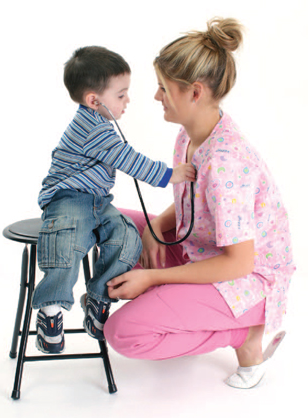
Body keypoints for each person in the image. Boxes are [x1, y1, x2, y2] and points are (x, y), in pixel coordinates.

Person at [104, 18, 296, 389]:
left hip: (247, 280)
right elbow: (198, 203)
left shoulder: (227, 160)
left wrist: (154, 276)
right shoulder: (191, 135)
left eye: (163, 88)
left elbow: (239, 261)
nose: (157, 97)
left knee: (123, 332)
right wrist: (156, 227)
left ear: (194, 92)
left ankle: (244, 336)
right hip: (202, 250)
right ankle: (172, 298)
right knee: (112, 219)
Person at [32, 46, 196, 354]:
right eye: (121, 95)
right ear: (94, 101)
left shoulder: (101, 125)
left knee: (126, 237)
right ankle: (50, 311)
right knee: (67, 241)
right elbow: (128, 159)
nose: (127, 101)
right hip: (68, 196)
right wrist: (171, 174)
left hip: (96, 201)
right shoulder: (92, 129)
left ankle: (98, 297)